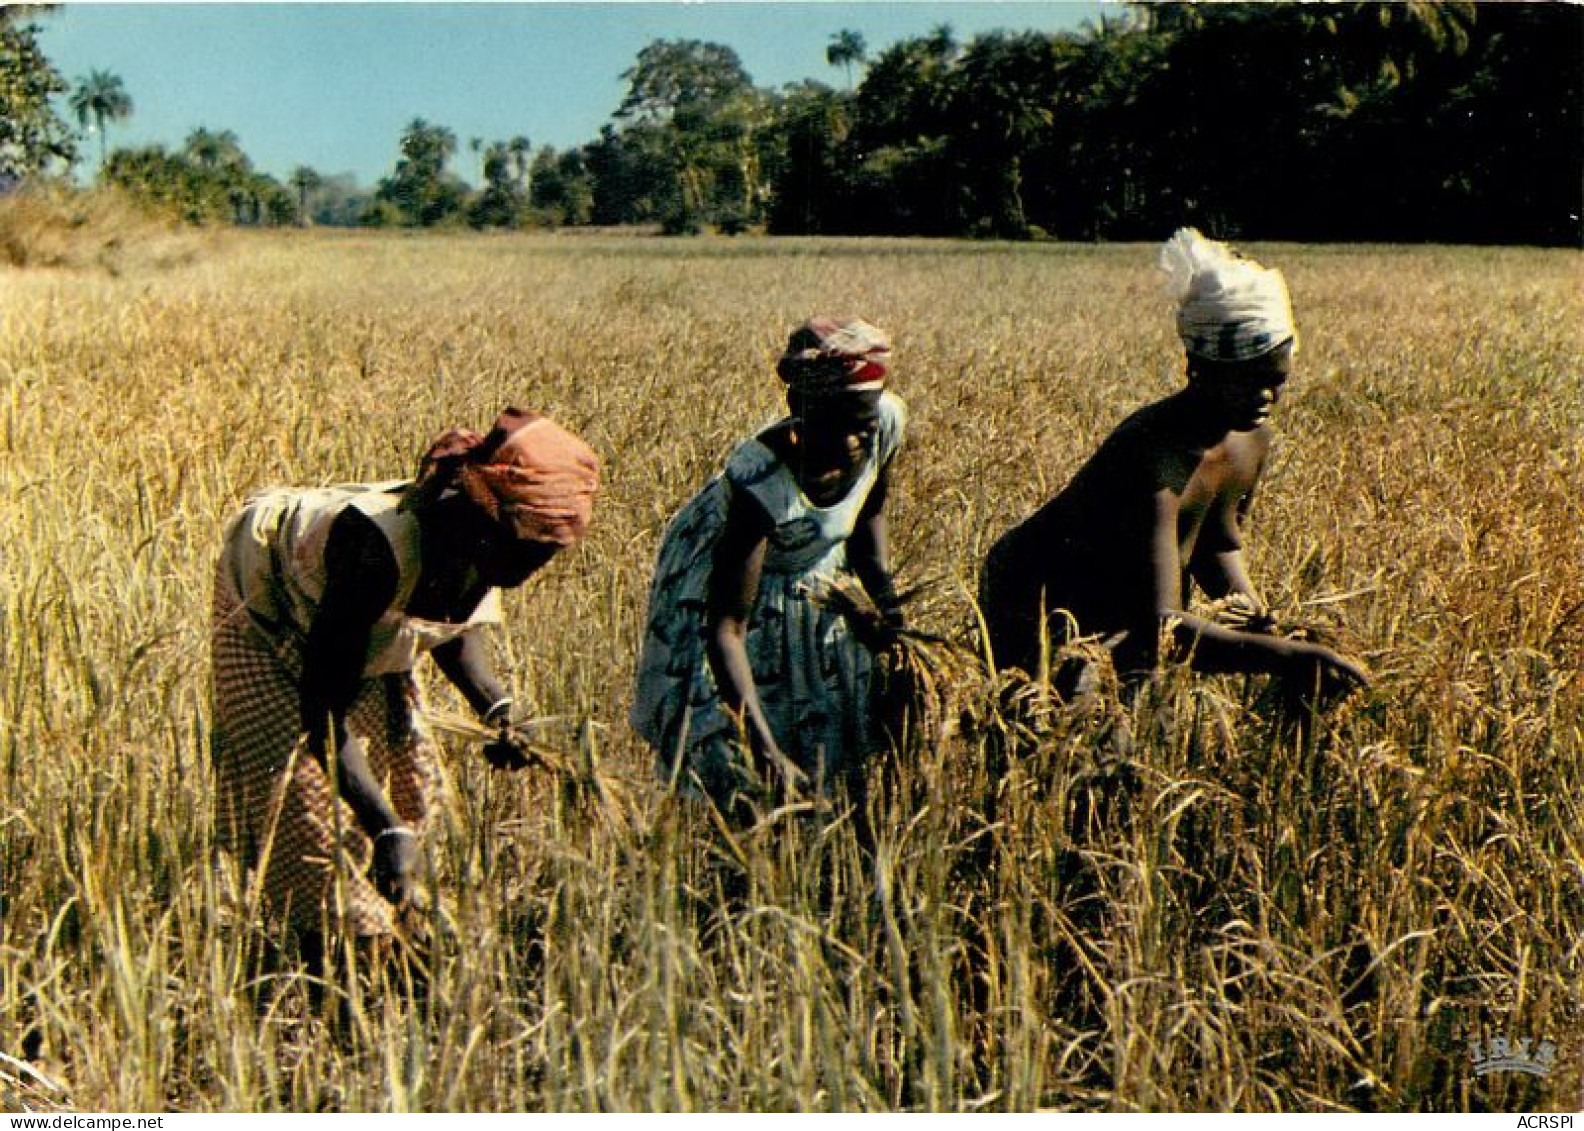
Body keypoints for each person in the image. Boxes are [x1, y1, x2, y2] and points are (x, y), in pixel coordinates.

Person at [210, 407, 600, 952]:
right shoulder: (376, 551)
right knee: (306, 810)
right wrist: (385, 829)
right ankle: (334, 952)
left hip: (346, 623)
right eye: (532, 547)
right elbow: (323, 710)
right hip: (268, 603)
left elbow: (455, 628)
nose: (536, 565)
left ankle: (399, 937)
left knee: (410, 781)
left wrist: (498, 710)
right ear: (488, 520)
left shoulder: (487, 543)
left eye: (549, 552)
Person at [979, 228, 1368, 701]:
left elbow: (1218, 540)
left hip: (1137, 596)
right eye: (1248, 381)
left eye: (1276, 380)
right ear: (1198, 367)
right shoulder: (1152, 458)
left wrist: (1252, 609)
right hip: (1044, 594)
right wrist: (1283, 657)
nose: (1266, 397)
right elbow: (1162, 626)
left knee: (1144, 709)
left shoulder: (1251, 438)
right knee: (1070, 730)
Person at [630, 315, 908, 818]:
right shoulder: (761, 480)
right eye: (835, 424)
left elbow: (869, 527)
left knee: (840, 749)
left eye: (860, 427)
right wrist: (765, 750)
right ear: (798, 409)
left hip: (818, 578)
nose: (851, 443)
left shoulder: (884, 423)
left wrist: (890, 616)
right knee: (732, 772)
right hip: (733, 597)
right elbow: (726, 628)